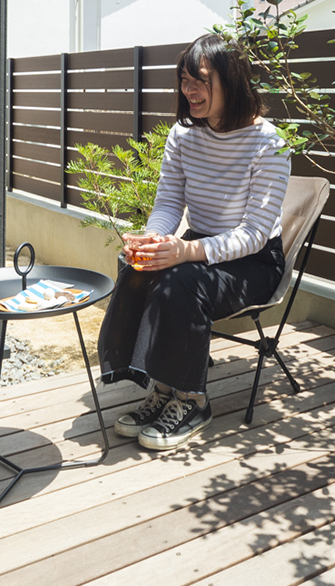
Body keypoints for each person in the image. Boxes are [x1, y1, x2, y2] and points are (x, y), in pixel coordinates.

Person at [97, 33, 290, 452]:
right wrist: (153, 238)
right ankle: (164, 389)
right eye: (184, 80)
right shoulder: (183, 134)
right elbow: (169, 203)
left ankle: (192, 400)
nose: (189, 90)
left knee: (182, 281)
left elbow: (255, 232)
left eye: (200, 80)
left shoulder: (269, 143)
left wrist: (186, 252)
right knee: (140, 266)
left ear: (231, 80)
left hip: (254, 262)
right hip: (200, 247)